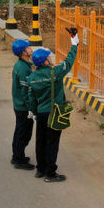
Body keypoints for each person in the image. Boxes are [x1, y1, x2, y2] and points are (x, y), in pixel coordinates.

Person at [26, 33, 79, 182]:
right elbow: (69, 62)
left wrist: (34, 111)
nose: (51, 58)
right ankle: (50, 173)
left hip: (41, 114)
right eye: (49, 57)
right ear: (45, 62)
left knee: (40, 141)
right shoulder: (54, 73)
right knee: (52, 143)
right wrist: (74, 44)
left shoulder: (31, 78)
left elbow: (31, 98)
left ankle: (40, 169)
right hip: (54, 113)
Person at [11, 39, 36, 170]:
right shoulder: (23, 69)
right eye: (28, 48)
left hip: (18, 104)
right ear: (23, 52)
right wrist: (31, 109)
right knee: (24, 133)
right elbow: (26, 92)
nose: (31, 49)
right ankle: (19, 159)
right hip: (23, 107)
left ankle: (16, 155)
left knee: (19, 131)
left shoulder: (22, 65)